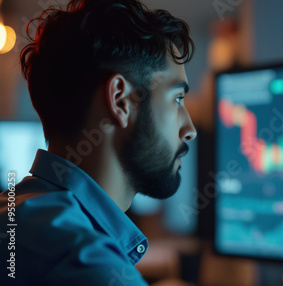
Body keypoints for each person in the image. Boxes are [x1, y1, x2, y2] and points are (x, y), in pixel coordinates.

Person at [0, 0, 197, 284]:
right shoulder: (84, 260)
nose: (189, 129)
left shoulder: (18, 211)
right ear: (121, 101)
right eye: (177, 99)